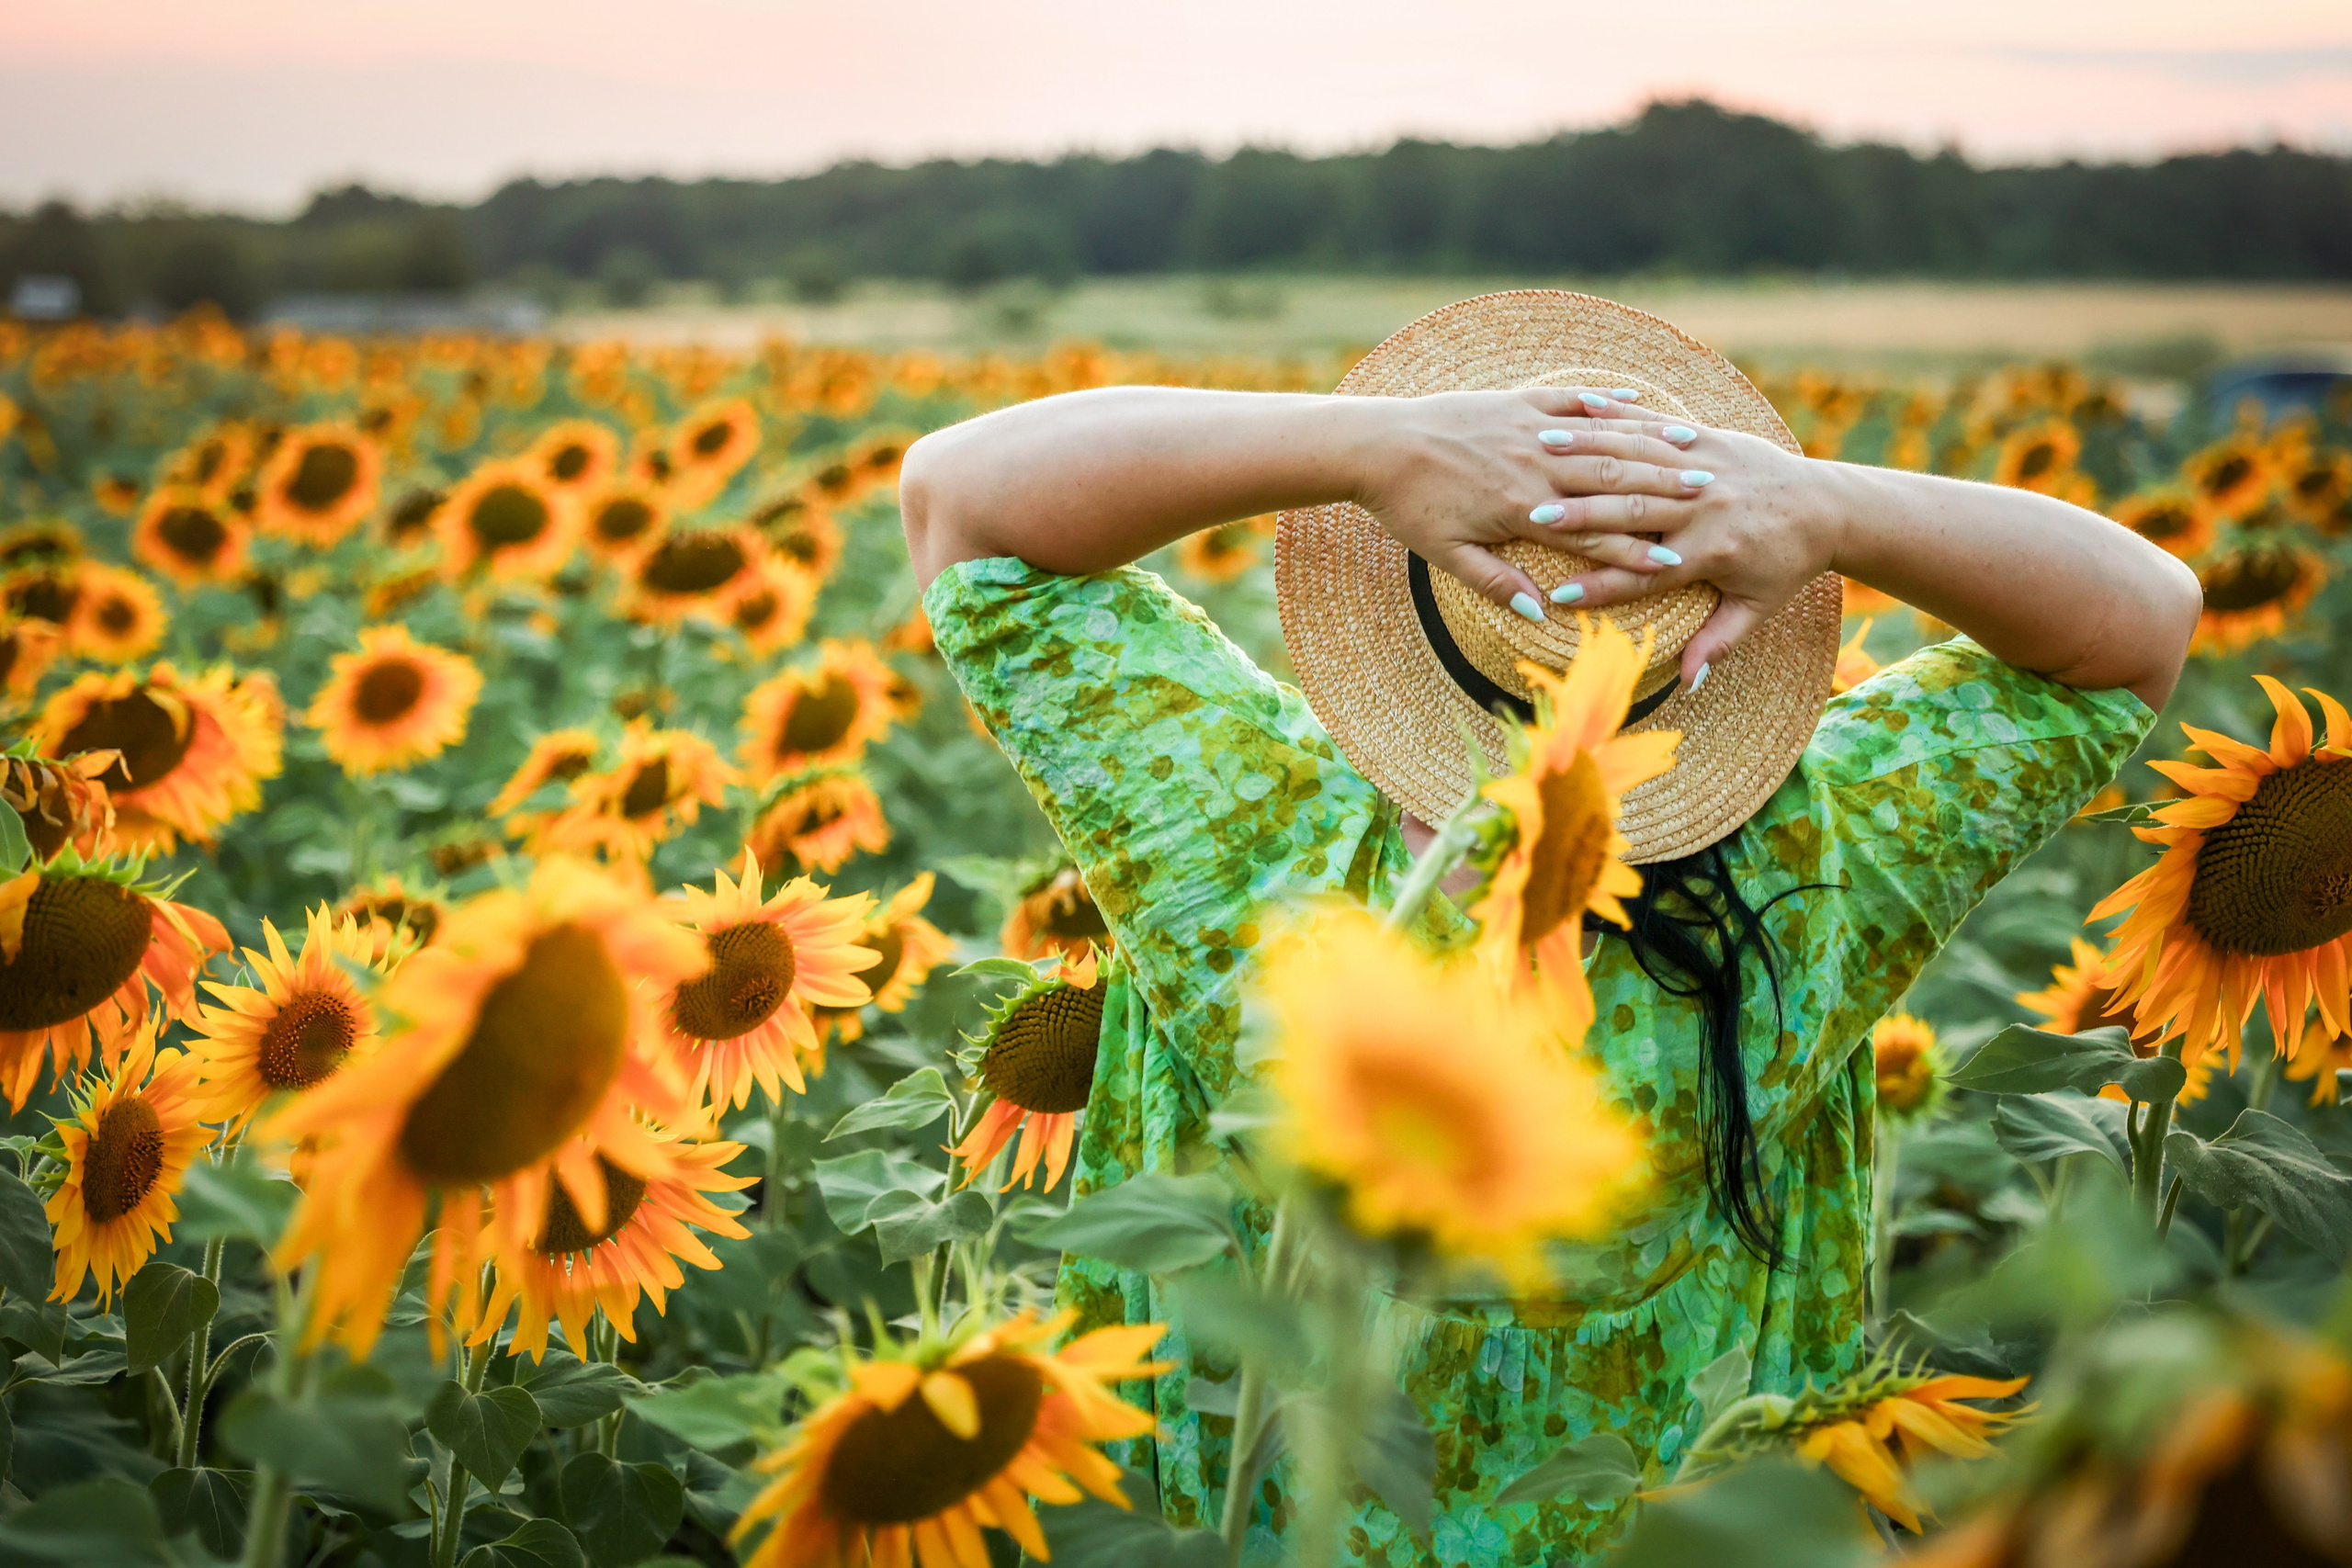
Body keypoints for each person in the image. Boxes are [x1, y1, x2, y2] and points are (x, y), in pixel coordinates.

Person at [899, 293, 2199, 1564]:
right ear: (1725, 628)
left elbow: (961, 498)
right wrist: (1824, 506)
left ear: (1412, 602)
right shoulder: (1816, 873)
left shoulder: (1240, 832)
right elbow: (2140, 625)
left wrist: (1368, 448)